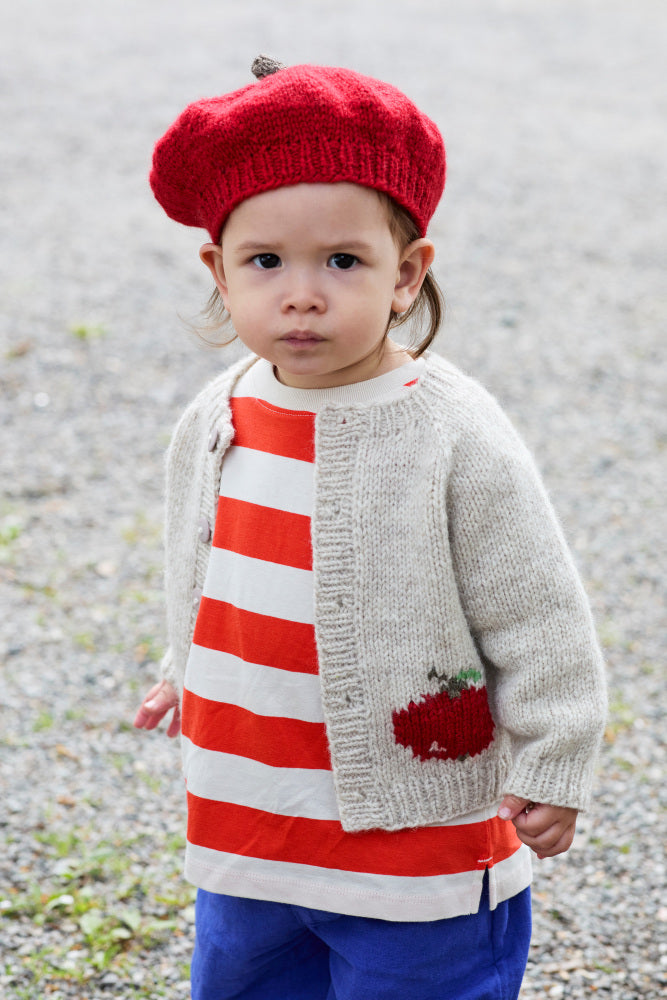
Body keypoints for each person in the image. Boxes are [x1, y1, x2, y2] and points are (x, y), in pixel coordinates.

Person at [134, 56, 607, 1000]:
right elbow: (208, 568)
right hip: (249, 819)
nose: (301, 293)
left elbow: (535, 605)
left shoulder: (448, 429)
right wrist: (187, 671)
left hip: (412, 838)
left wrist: (556, 751)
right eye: (264, 261)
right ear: (218, 271)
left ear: (406, 273)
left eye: (342, 261)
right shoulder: (219, 412)